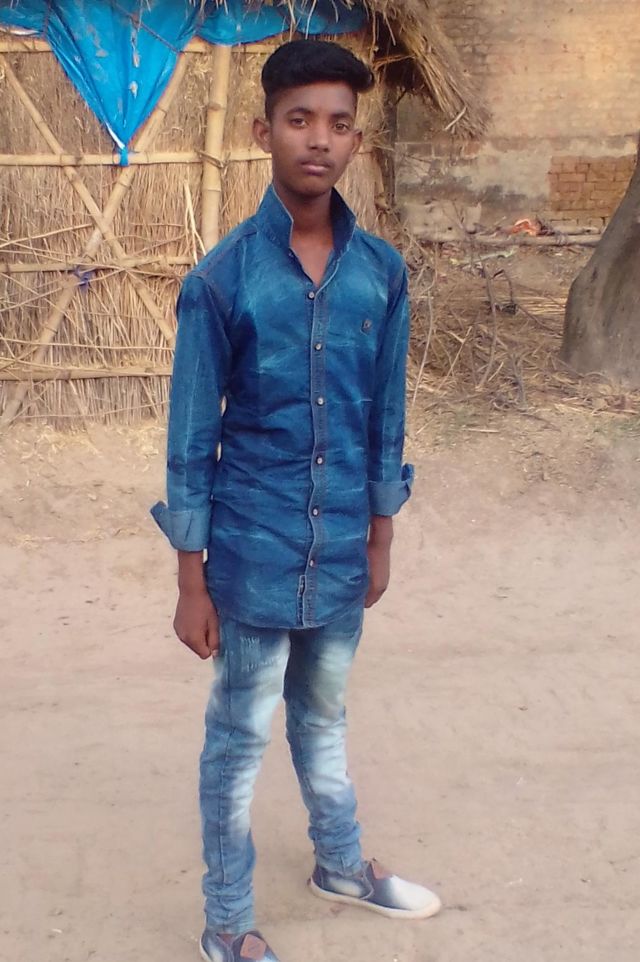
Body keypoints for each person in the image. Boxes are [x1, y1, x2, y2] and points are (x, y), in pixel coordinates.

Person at [151, 39, 440, 962]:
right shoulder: (222, 280)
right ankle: (227, 922)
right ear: (263, 130)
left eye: (339, 123)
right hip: (252, 551)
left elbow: (385, 417)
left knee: (324, 716)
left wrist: (380, 536)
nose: (319, 139)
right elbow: (191, 440)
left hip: (343, 545)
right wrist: (191, 580)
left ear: (357, 139)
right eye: (299, 119)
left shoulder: (381, 274)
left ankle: (341, 865)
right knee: (239, 738)